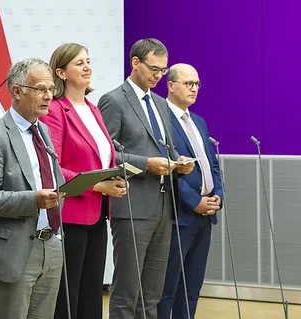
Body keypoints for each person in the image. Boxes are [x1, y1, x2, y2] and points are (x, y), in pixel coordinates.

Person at [97, 38, 195, 319]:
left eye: (163, 71)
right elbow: (108, 155)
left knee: (152, 294)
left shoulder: (161, 104)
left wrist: (179, 164)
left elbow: (168, 149)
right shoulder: (114, 100)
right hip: (131, 207)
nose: (158, 76)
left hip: (164, 208)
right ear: (135, 63)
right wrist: (148, 164)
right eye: (154, 68)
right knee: (127, 291)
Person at [39, 43, 127, 319]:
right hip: (70, 216)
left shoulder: (93, 108)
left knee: (91, 294)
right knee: (68, 296)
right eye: (79, 63)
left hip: (98, 214)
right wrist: (98, 186)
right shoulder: (55, 109)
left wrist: (115, 178)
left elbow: (102, 160)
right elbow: (54, 167)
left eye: (88, 61)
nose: (88, 67)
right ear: (61, 72)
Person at [0, 58, 64, 319]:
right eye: (41, 89)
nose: (49, 96)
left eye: (51, 89)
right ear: (17, 91)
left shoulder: (44, 132)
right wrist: (32, 200)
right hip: (15, 251)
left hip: (50, 244)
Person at [159, 63, 223, 319]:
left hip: (205, 215)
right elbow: (168, 169)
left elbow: (212, 164)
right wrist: (194, 201)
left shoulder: (198, 121)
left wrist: (217, 194)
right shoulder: (162, 119)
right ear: (171, 85)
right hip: (179, 216)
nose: (194, 89)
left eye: (197, 84)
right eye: (189, 83)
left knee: (192, 288)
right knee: (168, 288)